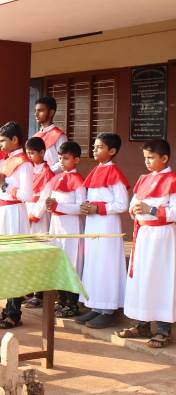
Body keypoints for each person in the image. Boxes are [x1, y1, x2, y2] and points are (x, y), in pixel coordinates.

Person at [116, 140, 176, 348]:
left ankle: (163, 329)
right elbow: (133, 205)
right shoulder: (143, 179)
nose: (147, 162)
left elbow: (175, 212)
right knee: (141, 278)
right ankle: (141, 324)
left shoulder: (173, 180)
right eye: (145, 158)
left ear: (165, 158)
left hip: (162, 238)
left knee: (160, 280)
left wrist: (151, 210)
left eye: (151, 157)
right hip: (142, 235)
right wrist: (136, 210)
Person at [75, 133, 130, 329]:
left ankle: (108, 310)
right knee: (93, 264)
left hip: (107, 225)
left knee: (105, 265)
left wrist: (98, 208)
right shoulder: (96, 170)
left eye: (99, 147)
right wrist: (86, 207)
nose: (94, 149)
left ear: (112, 151)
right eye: (94, 146)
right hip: (93, 224)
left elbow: (122, 204)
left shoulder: (114, 173)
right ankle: (95, 306)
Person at [0, 121, 33, 329]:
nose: (1, 144)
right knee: (5, 259)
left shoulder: (24, 163)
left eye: (4, 140)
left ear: (15, 140)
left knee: (14, 260)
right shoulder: (8, 161)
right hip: (3, 212)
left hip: (14, 212)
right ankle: (8, 307)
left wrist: (2, 184)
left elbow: (26, 194)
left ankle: (15, 312)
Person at [39, 141, 85, 317]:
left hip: (71, 226)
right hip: (56, 224)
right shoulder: (56, 178)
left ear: (76, 160)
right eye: (60, 158)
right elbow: (53, 201)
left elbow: (81, 207)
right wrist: (50, 206)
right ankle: (62, 299)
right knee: (59, 261)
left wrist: (58, 206)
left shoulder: (78, 180)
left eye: (66, 158)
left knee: (71, 262)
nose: (62, 162)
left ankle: (72, 303)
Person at [23, 136, 55, 309]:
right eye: (27, 153)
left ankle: (39, 292)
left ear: (42, 152)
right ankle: (28, 288)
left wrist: (34, 214)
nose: (29, 156)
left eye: (32, 153)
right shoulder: (28, 169)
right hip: (26, 209)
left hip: (38, 216)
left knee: (39, 252)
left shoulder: (48, 173)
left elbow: (45, 197)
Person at [33, 96, 67, 174]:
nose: (36, 114)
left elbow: (64, 161)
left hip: (53, 179)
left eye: (40, 110)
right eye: (35, 111)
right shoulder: (35, 136)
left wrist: (45, 172)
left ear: (51, 112)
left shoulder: (59, 136)